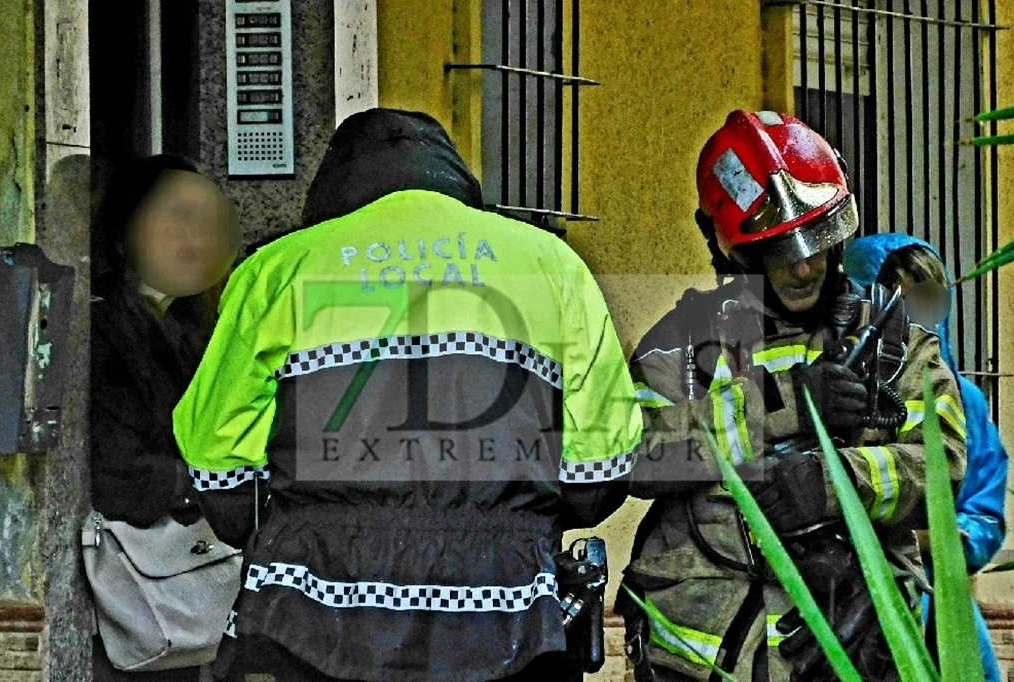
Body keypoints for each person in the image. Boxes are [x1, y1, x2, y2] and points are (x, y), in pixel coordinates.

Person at [173, 108, 642, 681]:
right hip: (506, 612)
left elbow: (218, 469)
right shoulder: (552, 266)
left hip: (310, 613)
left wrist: (288, 527)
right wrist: (513, 524)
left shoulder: (277, 270)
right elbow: (598, 476)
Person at [618, 110, 968, 682]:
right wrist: (779, 406)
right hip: (698, 664)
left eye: (817, 239)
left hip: (850, 652)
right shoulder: (680, 344)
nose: (804, 266)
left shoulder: (899, 343)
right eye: (780, 248)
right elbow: (632, 457)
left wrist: (830, 484)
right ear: (727, 247)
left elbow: (944, 466)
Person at [89, 154, 241, 680]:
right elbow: (116, 473)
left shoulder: (187, 324)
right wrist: (196, 482)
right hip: (130, 582)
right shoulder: (106, 325)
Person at [845, 234, 1009, 682]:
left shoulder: (966, 402)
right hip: (844, 602)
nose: (916, 320)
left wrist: (933, 539)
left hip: (941, 613)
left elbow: (984, 513)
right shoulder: (831, 391)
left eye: (928, 302)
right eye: (899, 303)